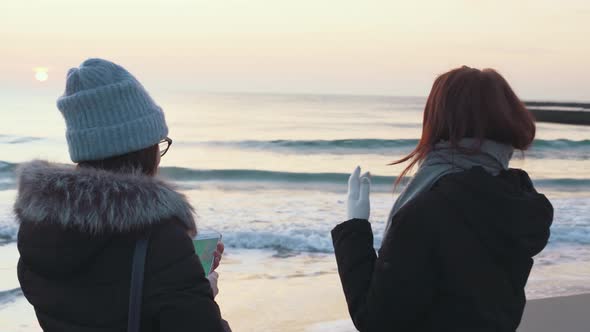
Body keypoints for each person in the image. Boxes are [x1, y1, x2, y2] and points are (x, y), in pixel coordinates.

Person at [331, 66, 554, 332]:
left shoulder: (427, 211)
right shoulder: (517, 200)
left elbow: (377, 321)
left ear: (438, 120)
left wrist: (354, 227)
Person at [14, 58, 230, 331]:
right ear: (143, 149)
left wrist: (187, 280)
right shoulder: (159, 238)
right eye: (159, 144)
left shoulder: (38, 230)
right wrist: (201, 293)